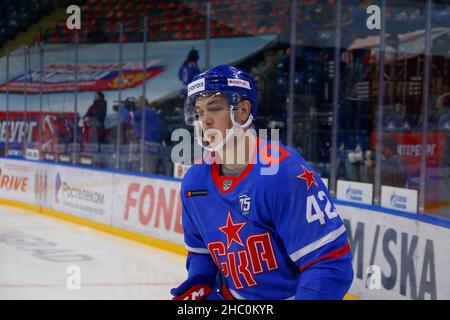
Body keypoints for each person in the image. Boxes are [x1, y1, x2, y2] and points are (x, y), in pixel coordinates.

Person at [171, 65, 353, 300]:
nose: (204, 121)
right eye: (199, 111)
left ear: (243, 111)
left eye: (214, 109)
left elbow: (329, 264)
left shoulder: (283, 171)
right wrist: (200, 287)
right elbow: (202, 254)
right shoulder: (195, 183)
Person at [133, 96, 162, 174]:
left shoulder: (145, 111)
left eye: (137, 102)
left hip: (148, 144)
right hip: (152, 143)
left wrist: (123, 109)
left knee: (148, 169)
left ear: (142, 103)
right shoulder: (150, 112)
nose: (135, 104)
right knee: (149, 167)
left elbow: (129, 118)